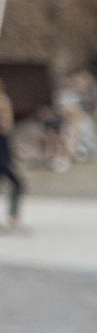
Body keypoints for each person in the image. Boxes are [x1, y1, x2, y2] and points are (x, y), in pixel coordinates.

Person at [0, 81, 21, 230]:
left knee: (17, 184)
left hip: (4, 148)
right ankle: (13, 217)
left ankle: (13, 216)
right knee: (16, 183)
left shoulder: (4, 99)